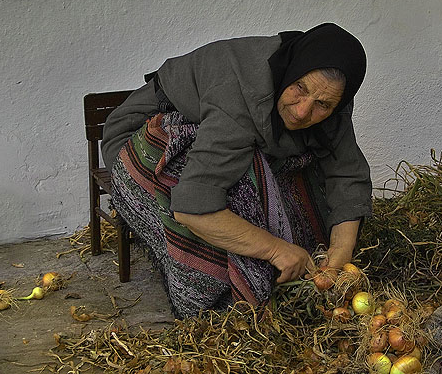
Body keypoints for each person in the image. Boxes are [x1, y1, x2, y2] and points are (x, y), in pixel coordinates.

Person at [101, 23, 372, 317]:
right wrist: (275, 250)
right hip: (140, 135)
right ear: (291, 71)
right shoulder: (242, 94)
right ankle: (218, 294)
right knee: (241, 189)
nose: (302, 111)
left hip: (217, 128)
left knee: (287, 180)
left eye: (322, 105)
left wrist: (340, 256)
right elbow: (192, 206)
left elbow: (346, 173)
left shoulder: (330, 93)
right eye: (299, 89)